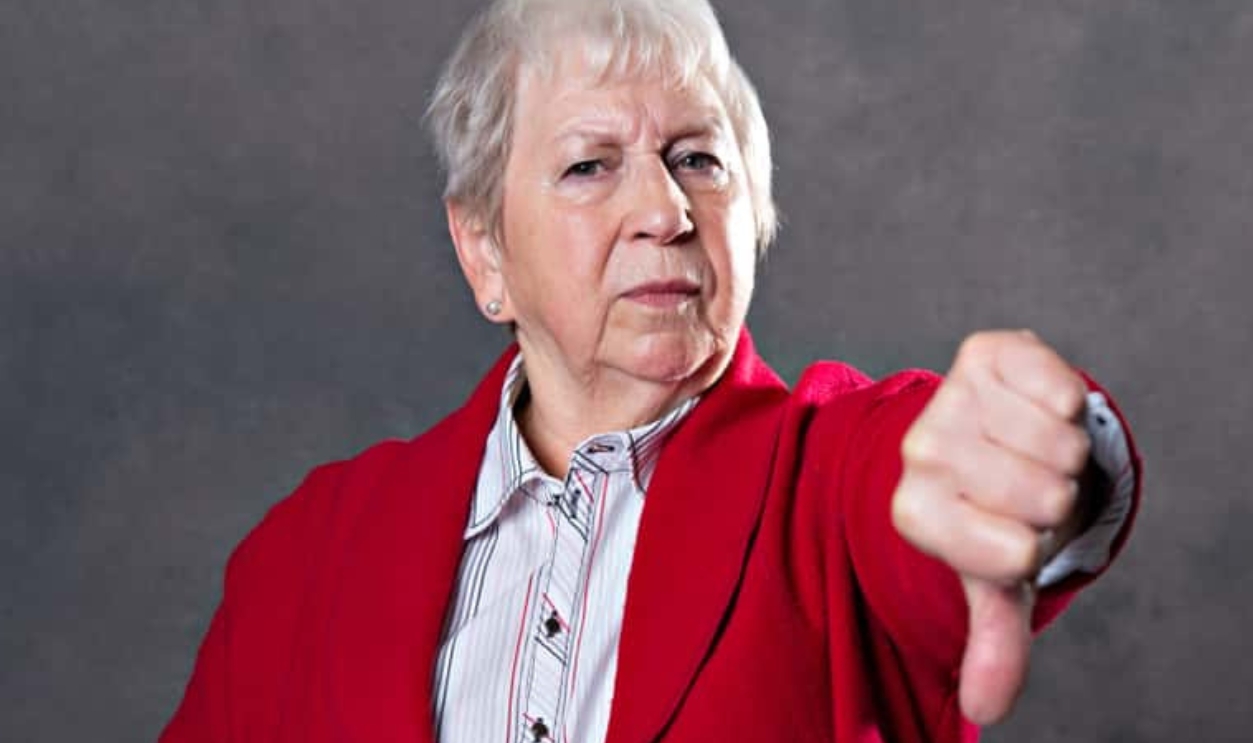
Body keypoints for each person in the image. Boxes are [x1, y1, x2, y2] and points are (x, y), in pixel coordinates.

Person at [160, 0, 1140, 741]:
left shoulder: (830, 477)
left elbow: (928, 485)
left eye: (698, 160)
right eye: (590, 165)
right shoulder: (308, 550)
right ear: (483, 253)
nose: (665, 210)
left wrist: (1044, 462)